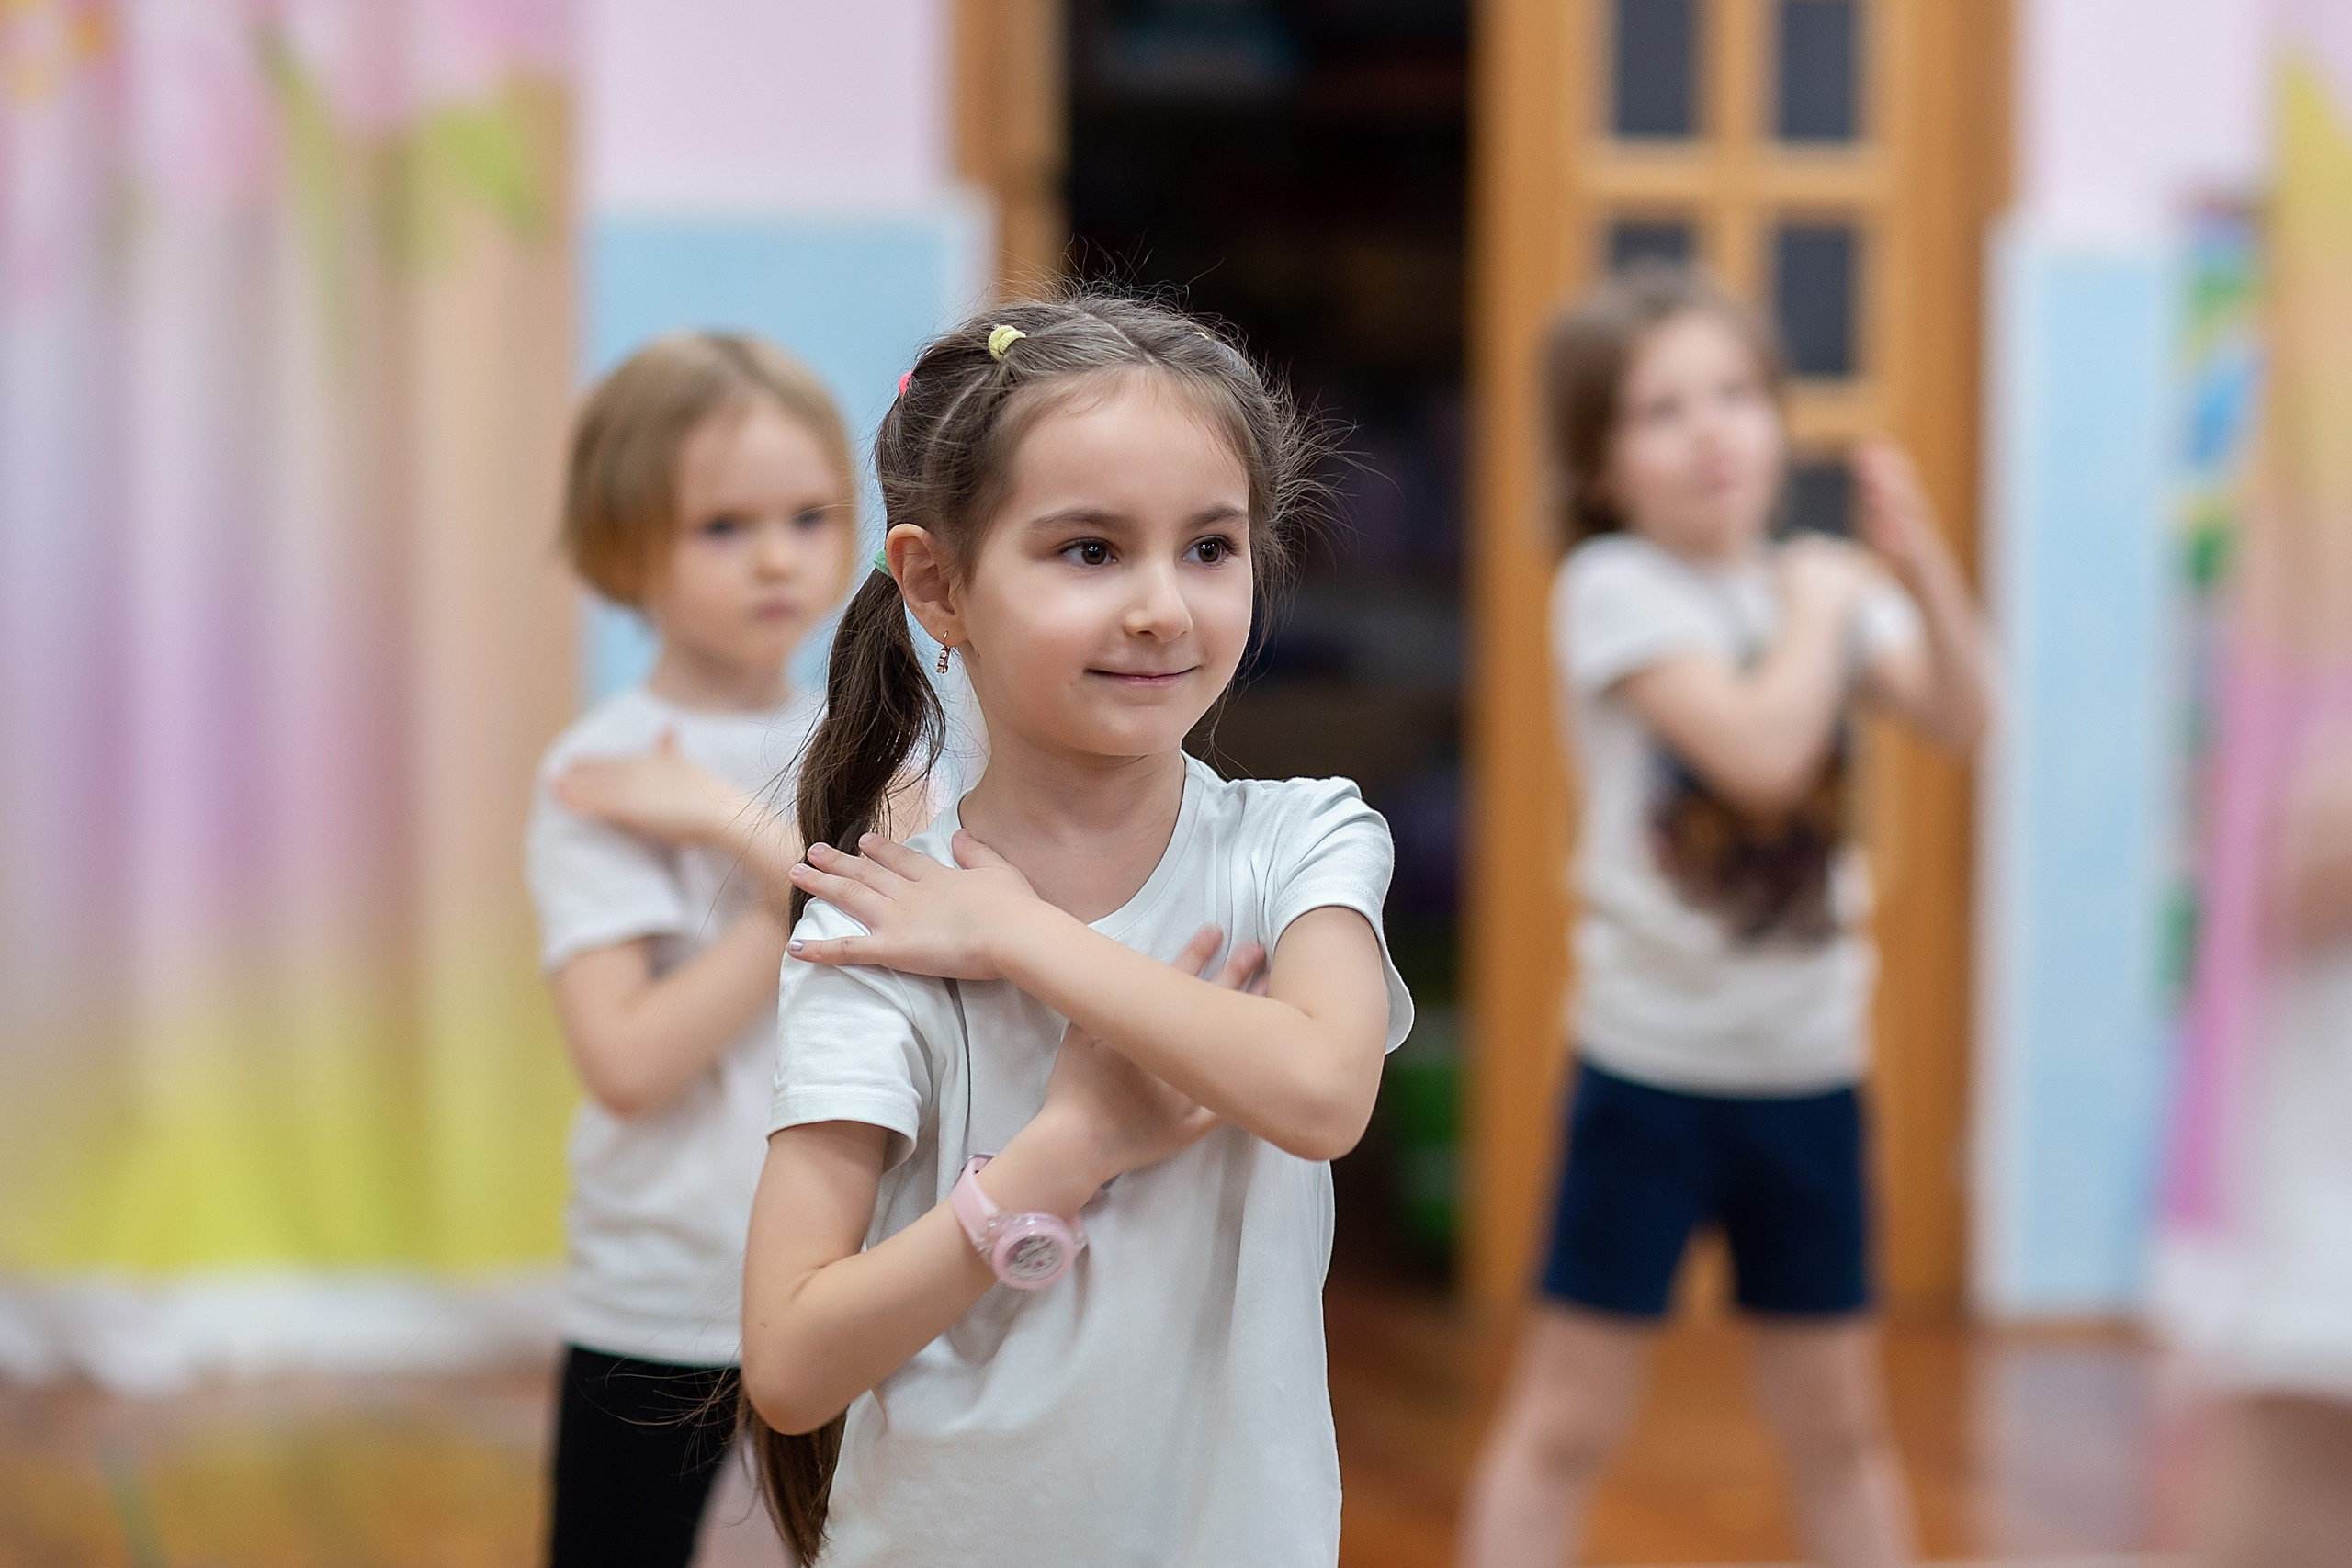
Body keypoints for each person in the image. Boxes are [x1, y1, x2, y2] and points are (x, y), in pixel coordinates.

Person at [733, 296, 1415, 1567]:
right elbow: (790, 1363)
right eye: (1091, 551)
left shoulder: (1299, 843)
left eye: (1210, 548)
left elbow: (1323, 1092)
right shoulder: (881, 930)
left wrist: (1020, 939)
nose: (1163, 605)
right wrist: (1068, 1150)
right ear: (938, 584)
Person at [1457, 265, 1993, 1568]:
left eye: (1737, 395)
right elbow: (1755, 754)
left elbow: (1963, 718)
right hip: (1651, 1071)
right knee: (1571, 1417)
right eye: (1660, 410)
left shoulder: (1819, 589)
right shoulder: (1617, 589)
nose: (1711, 431)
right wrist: (1822, 610)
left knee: (1841, 1428)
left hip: (1809, 1072)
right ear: (1599, 468)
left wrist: (1920, 578)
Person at [525, 333, 857, 1568]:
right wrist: (792, 900)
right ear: (626, 544)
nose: (777, 556)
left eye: (808, 514)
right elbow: (625, 1059)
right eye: (722, 526)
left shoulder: (878, 743)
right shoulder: (603, 773)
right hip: (665, 1289)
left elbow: (924, 931)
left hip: (847, 1279)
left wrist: (727, 826)